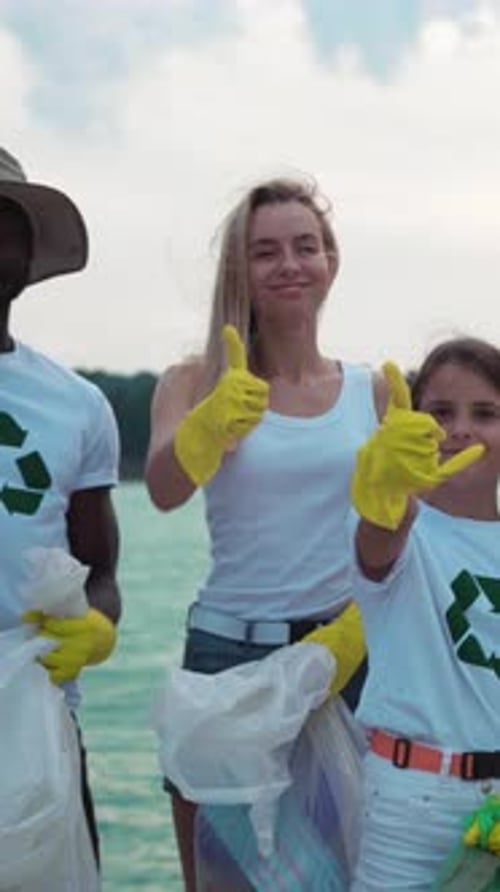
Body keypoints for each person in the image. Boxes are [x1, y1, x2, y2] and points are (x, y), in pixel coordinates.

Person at [145, 175, 388, 889]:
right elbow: (161, 491)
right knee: (222, 881)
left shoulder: (373, 390)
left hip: (348, 661)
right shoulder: (192, 381)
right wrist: (205, 430)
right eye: (266, 252)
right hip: (229, 660)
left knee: (355, 873)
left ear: (331, 261)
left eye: (305, 247)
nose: (289, 265)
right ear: (239, 270)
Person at [0, 147, 121, 886]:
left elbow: (101, 572)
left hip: (35, 717)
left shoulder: (78, 406)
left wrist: (98, 626)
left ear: (27, 248)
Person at [347, 336, 500, 889]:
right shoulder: (399, 523)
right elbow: (379, 544)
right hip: (410, 802)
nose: (461, 429)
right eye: (440, 412)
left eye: (486, 414)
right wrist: (388, 493)